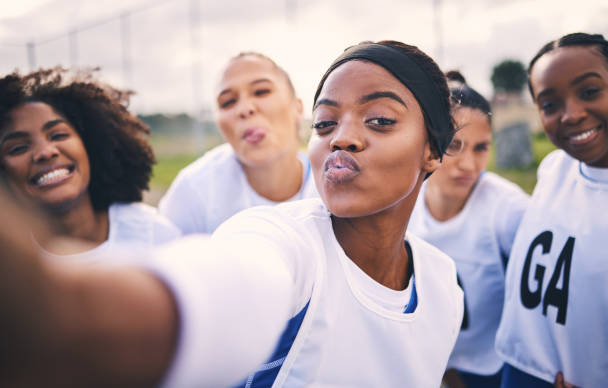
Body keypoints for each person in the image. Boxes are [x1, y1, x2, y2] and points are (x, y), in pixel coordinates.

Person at [0, 41, 463, 388]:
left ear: (432, 151)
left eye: (379, 119)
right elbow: (221, 286)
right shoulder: (279, 240)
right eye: (325, 124)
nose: (341, 137)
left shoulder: (442, 287)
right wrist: (55, 308)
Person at [495, 32, 608, 388]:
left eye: (590, 92)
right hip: (520, 365)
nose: (572, 114)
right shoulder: (554, 168)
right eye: (549, 104)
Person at [407, 71, 528, 388]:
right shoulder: (402, 201)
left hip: (492, 365)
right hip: (426, 361)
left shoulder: (507, 208)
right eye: (455, 145)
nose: (469, 164)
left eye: (481, 148)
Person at [0, 68, 180, 261]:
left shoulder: (154, 234)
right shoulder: (10, 265)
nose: (45, 152)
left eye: (58, 135)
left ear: (90, 145)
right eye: (18, 148)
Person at [159, 52, 318, 234]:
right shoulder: (193, 191)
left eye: (261, 91)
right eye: (228, 102)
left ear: (298, 108)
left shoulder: (336, 183)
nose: (244, 109)